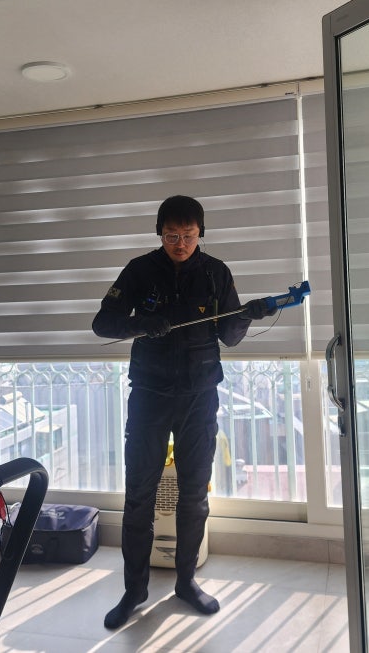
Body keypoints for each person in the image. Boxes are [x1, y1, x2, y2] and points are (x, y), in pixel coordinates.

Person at [92, 195, 276, 629]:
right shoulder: (139, 270)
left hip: (199, 398)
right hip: (149, 397)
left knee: (194, 495)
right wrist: (139, 324)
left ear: (200, 234)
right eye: (171, 235)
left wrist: (249, 315)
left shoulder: (216, 273)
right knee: (139, 495)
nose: (180, 244)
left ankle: (186, 582)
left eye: (189, 236)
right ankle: (134, 591)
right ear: (159, 233)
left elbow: (230, 336)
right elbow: (103, 323)